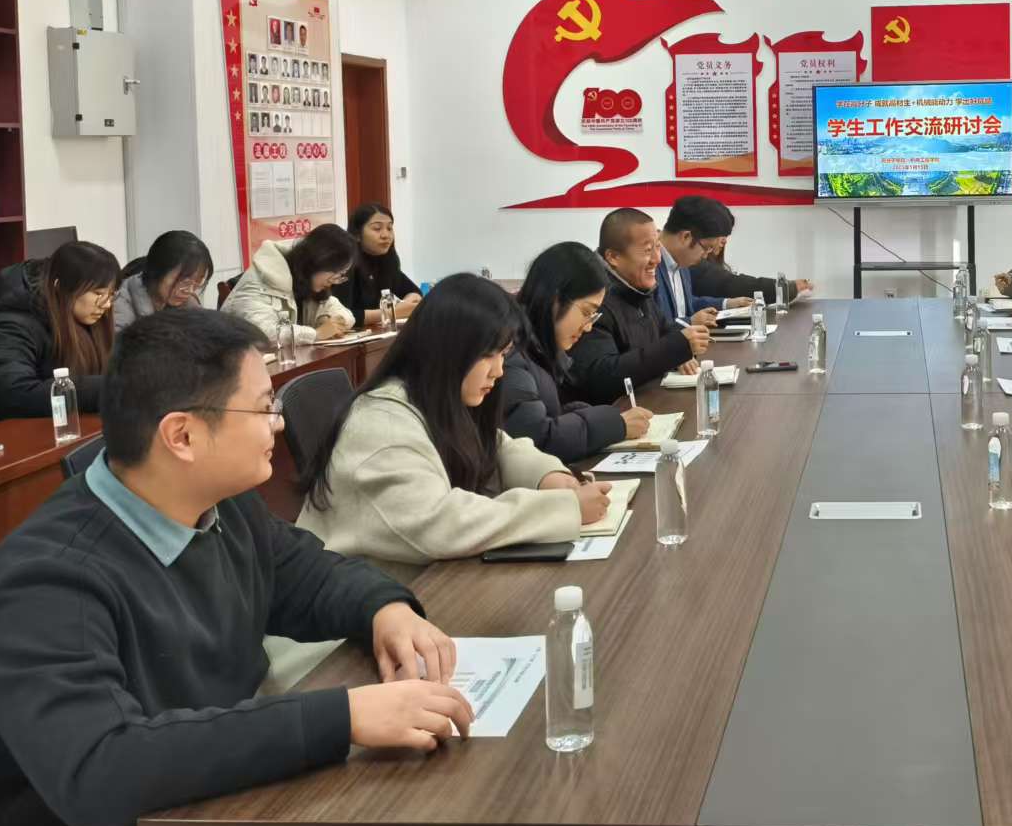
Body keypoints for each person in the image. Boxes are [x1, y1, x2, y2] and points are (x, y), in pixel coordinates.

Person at [0, 309, 473, 826]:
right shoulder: (46, 584)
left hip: (216, 797)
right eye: (263, 407)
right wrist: (344, 718)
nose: (278, 423)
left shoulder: (218, 503)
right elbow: (100, 768)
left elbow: (308, 576)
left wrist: (386, 610)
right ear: (182, 436)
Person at [297, 274, 610, 564]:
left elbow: (496, 445)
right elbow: (440, 524)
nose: (499, 371)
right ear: (448, 350)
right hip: (363, 597)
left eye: (503, 354)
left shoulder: (436, 396)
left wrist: (548, 476)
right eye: (488, 355)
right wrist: (563, 509)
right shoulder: (380, 426)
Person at [504, 242, 654, 459]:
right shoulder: (510, 352)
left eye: (594, 316)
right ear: (554, 299)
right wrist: (615, 424)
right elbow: (537, 438)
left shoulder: (540, 346)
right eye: (586, 312)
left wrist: (587, 413)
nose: (588, 327)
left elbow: (548, 413)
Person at [567, 208, 709, 404]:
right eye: (648, 250)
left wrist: (682, 348)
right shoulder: (594, 300)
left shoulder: (637, 288)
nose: (657, 259)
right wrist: (674, 348)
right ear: (613, 257)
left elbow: (665, 330)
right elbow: (602, 377)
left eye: (658, 248)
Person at [0, 241, 120, 424]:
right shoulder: (11, 326)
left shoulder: (89, 319)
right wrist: (107, 388)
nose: (106, 304)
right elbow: (10, 395)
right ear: (59, 287)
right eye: (98, 293)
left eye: (111, 294)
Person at [221, 224, 356, 344]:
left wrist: (328, 320)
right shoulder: (258, 282)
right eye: (336, 273)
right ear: (318, 261)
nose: (335, 280)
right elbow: (264, 334)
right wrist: (316, 334)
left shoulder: (306, 282)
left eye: (341, 275)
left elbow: (345, 315)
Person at [686, 200, 811, 305]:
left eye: (726, 235)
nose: (724, 241)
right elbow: (734, 285)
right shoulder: (691, 264)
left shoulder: (706, 263)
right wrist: (788, 288)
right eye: (720, 234)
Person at [655, 196, 749, 326]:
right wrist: (690, 322)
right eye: (707, 248)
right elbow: (652, 325)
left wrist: (727, 303)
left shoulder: (681, 260)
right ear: (686, 237)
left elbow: (685, 304)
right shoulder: (648, 267)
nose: (705, 256)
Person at [333, 203, 421, 329]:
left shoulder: (387, 260)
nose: (386, 235)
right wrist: (391, 312)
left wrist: (407, 303)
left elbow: (414, 291)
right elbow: (342, 316)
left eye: (389, 228)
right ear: (357, 235)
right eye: (377, 228)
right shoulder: (345, 264)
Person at [113, 230, 213, 330]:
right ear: (157, 270)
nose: (190, 290)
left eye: (198, 282)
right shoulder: (120, 303)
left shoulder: (187, 303)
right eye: (184, 281)